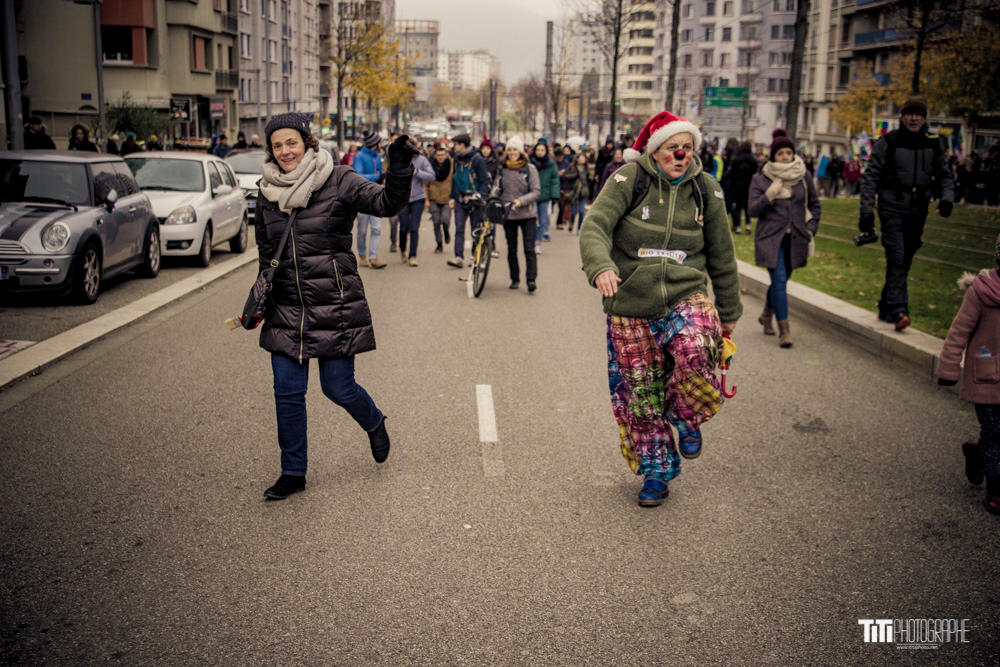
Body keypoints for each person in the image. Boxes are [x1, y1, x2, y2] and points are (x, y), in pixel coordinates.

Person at [579, 110, 743, 507]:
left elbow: (722, 253)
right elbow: (595, 226)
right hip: (631, 303)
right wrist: (602, 267)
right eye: (673, 147)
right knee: (641, 397)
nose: (681, 154)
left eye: (687, 148)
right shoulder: (626, 180)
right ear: (655, 151)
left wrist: (730, 310)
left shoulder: (707, 190)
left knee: (695, 345)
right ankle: (656, 473)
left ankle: (686, 417)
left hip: (686, 293)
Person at [253, 113, 415, 500]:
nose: (284, 151)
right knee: (287, 393)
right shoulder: (267, 190)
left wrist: (399, 165)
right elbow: (264, 247)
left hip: (334, 303)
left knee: (337, 388)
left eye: (291, 142)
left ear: (307, 142)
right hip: (287, 306)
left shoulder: (337, 179)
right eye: (277, 145)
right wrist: (262, 292)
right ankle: (293, 472)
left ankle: (374, 421)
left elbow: (387, 202)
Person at [858, 95, 955, 331]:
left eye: (918, 114)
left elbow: (945, 175)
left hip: (919, 209)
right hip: (891, 207)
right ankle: (900, 310)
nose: (913, 118)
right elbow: (871, 178)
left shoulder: (934, 142)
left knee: (905, 260)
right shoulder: (888, 142)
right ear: (902, 116)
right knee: (897, 258)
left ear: (924, 117)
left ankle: (885, 305)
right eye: (909, 113)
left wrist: (947, 199)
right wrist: (866, 213)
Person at [937, 235, 1000, 515]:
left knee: (994, 437)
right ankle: (996, 490)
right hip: (987, 378)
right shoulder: (981, 291)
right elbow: (958, 332)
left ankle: (977, 451)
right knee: (996, 434)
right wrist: (949, 368)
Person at [748, 129, 821, 348]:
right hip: (771, 239)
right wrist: (769, 194)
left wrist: (811, 228)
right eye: (780, 154)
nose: (785, 157)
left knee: (781, 281)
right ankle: (784, 332)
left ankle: (766, 314)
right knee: (779, 281)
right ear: (773, 156)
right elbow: (752, 210)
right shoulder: (760, 178)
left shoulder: (803, 176)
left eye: (789, 153)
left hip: (797, 237)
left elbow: (815, 205)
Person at [491, 136, 540, 292]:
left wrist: (521, 200)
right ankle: (515, 278)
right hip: (509, 214)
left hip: (528, 214)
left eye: (515, 150)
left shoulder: (530, 169)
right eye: (510, 150)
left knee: (528, 248)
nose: (512, 153)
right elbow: (497, 188)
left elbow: (536, 191)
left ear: (521, 152)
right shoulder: (502, 168)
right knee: (511, 248)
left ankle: (531, 279)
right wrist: (493, 199)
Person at [446, 133, 490, 268]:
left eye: (456, 144)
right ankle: (458, 257)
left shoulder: (477, 160)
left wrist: (480, 196)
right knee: (459, 229)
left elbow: (484, 181)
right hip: (460, 199)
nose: (454, 147)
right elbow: (455, 178)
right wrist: (452, 196)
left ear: (463, 145)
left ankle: (475, 256)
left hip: (474, 200)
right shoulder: (457, 158)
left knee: (475, 230)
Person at [397, 137, 435, 266]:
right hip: (402, 198)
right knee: (403, 228)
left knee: (414, 228)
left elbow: (431, 176)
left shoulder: (422, 160)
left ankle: (413, 255)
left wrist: (417, 172)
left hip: (418, 198)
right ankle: (403, 249)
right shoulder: (399, 159)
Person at [352, 130, 388, 269]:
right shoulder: (359, 156)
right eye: (379, 142)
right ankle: (362, 255)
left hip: (377, 196)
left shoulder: (378, 156)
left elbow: (379, 174)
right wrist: (377, 177)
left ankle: (373, 257)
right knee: (362, 230)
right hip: (362, 197)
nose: (381, 144)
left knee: (376, 228)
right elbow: (358, 175)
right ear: (374, 143)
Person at [530, 141, 559, 254]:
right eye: (538, 150)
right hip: (531, 196)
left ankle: (537, 243)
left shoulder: (551, 164)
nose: (540, 152)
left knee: (543, 220)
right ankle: (531, 241)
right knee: (531, 220)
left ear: (546, 151)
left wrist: (555, 195)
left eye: (542, 150)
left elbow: (555, 180)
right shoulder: (530, 163)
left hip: (544, 196)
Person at [723, 141, 758, 235]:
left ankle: (737, 227)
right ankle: (748, 226)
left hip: (737, 186)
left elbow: (732, 174)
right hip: (748, 186)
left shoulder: (736, 159)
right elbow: (755, 174)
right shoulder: (753, 160)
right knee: (747, 208)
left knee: (738, 207)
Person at [425, 144, 453, 254]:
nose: (440, 157)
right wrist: (426, 199)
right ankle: (439, 244)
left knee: (445, 220)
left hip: (446, 199)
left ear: (446, 155)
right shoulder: (430, 167)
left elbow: (454, 182)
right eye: (438, 155)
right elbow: (425, 184)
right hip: (434, 199)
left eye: (442, 155)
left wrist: (453, 197)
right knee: (436, 222)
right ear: (435, 156)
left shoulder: (451, 167)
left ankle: (446, 232)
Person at [563, 151, 591, 234]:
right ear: (577, 159)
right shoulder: (572, 167)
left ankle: (579, 228)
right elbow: (565, 175)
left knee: (582, 211)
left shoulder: (586, 168)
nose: (583, 159)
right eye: (581, 157)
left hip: (584, 192)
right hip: (574, 192)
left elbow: (589, 179)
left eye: (584, 158)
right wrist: (575, 175)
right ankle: (571, 223)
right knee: (574, 212)